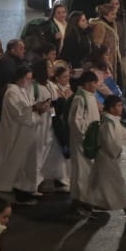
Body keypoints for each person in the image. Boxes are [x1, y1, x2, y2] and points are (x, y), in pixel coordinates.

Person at [0, 65, 50, 201]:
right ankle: (6, 187)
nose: (29, 82)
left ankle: (22, 187)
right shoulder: (12, 92)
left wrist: (38, 108)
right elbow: (19, 112)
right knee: (11, 160)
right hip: (15, 132)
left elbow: (27, 109)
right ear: (20, 78)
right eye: (27, 78)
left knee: (23, 162)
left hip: (25, 133)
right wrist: (34, 108)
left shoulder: (23, 91)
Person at [86, 94, 126, 220]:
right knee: (117, 185)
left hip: (105, 157)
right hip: (108, 158)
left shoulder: (111, 120)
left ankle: (88, 207)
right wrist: (116, 152)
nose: (121, 108)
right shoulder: (108, 123)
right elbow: (110, 142)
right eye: (119, 106)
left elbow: (122, 133)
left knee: (98, 183)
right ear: (111, 108)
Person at [67, 69, 102, 215]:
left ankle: (88, 200)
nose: (96, 85)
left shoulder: (90, 96)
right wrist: (86, 134)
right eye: (94, 82)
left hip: (90, 139)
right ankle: (81, 202)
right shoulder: (80, 98)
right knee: (82, 171)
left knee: (89, 171)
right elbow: (75, 121)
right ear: (87, 83)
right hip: (82, 141)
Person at [41, 62, 74, 191]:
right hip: (55, 123)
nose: (67, 79)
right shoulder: (54, 89)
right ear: (57, 78)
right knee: (56, 152)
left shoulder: (67, 88)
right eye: (64, 77)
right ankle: (58, 179)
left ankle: (63, 178)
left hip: (63, 122)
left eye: (68, 76)